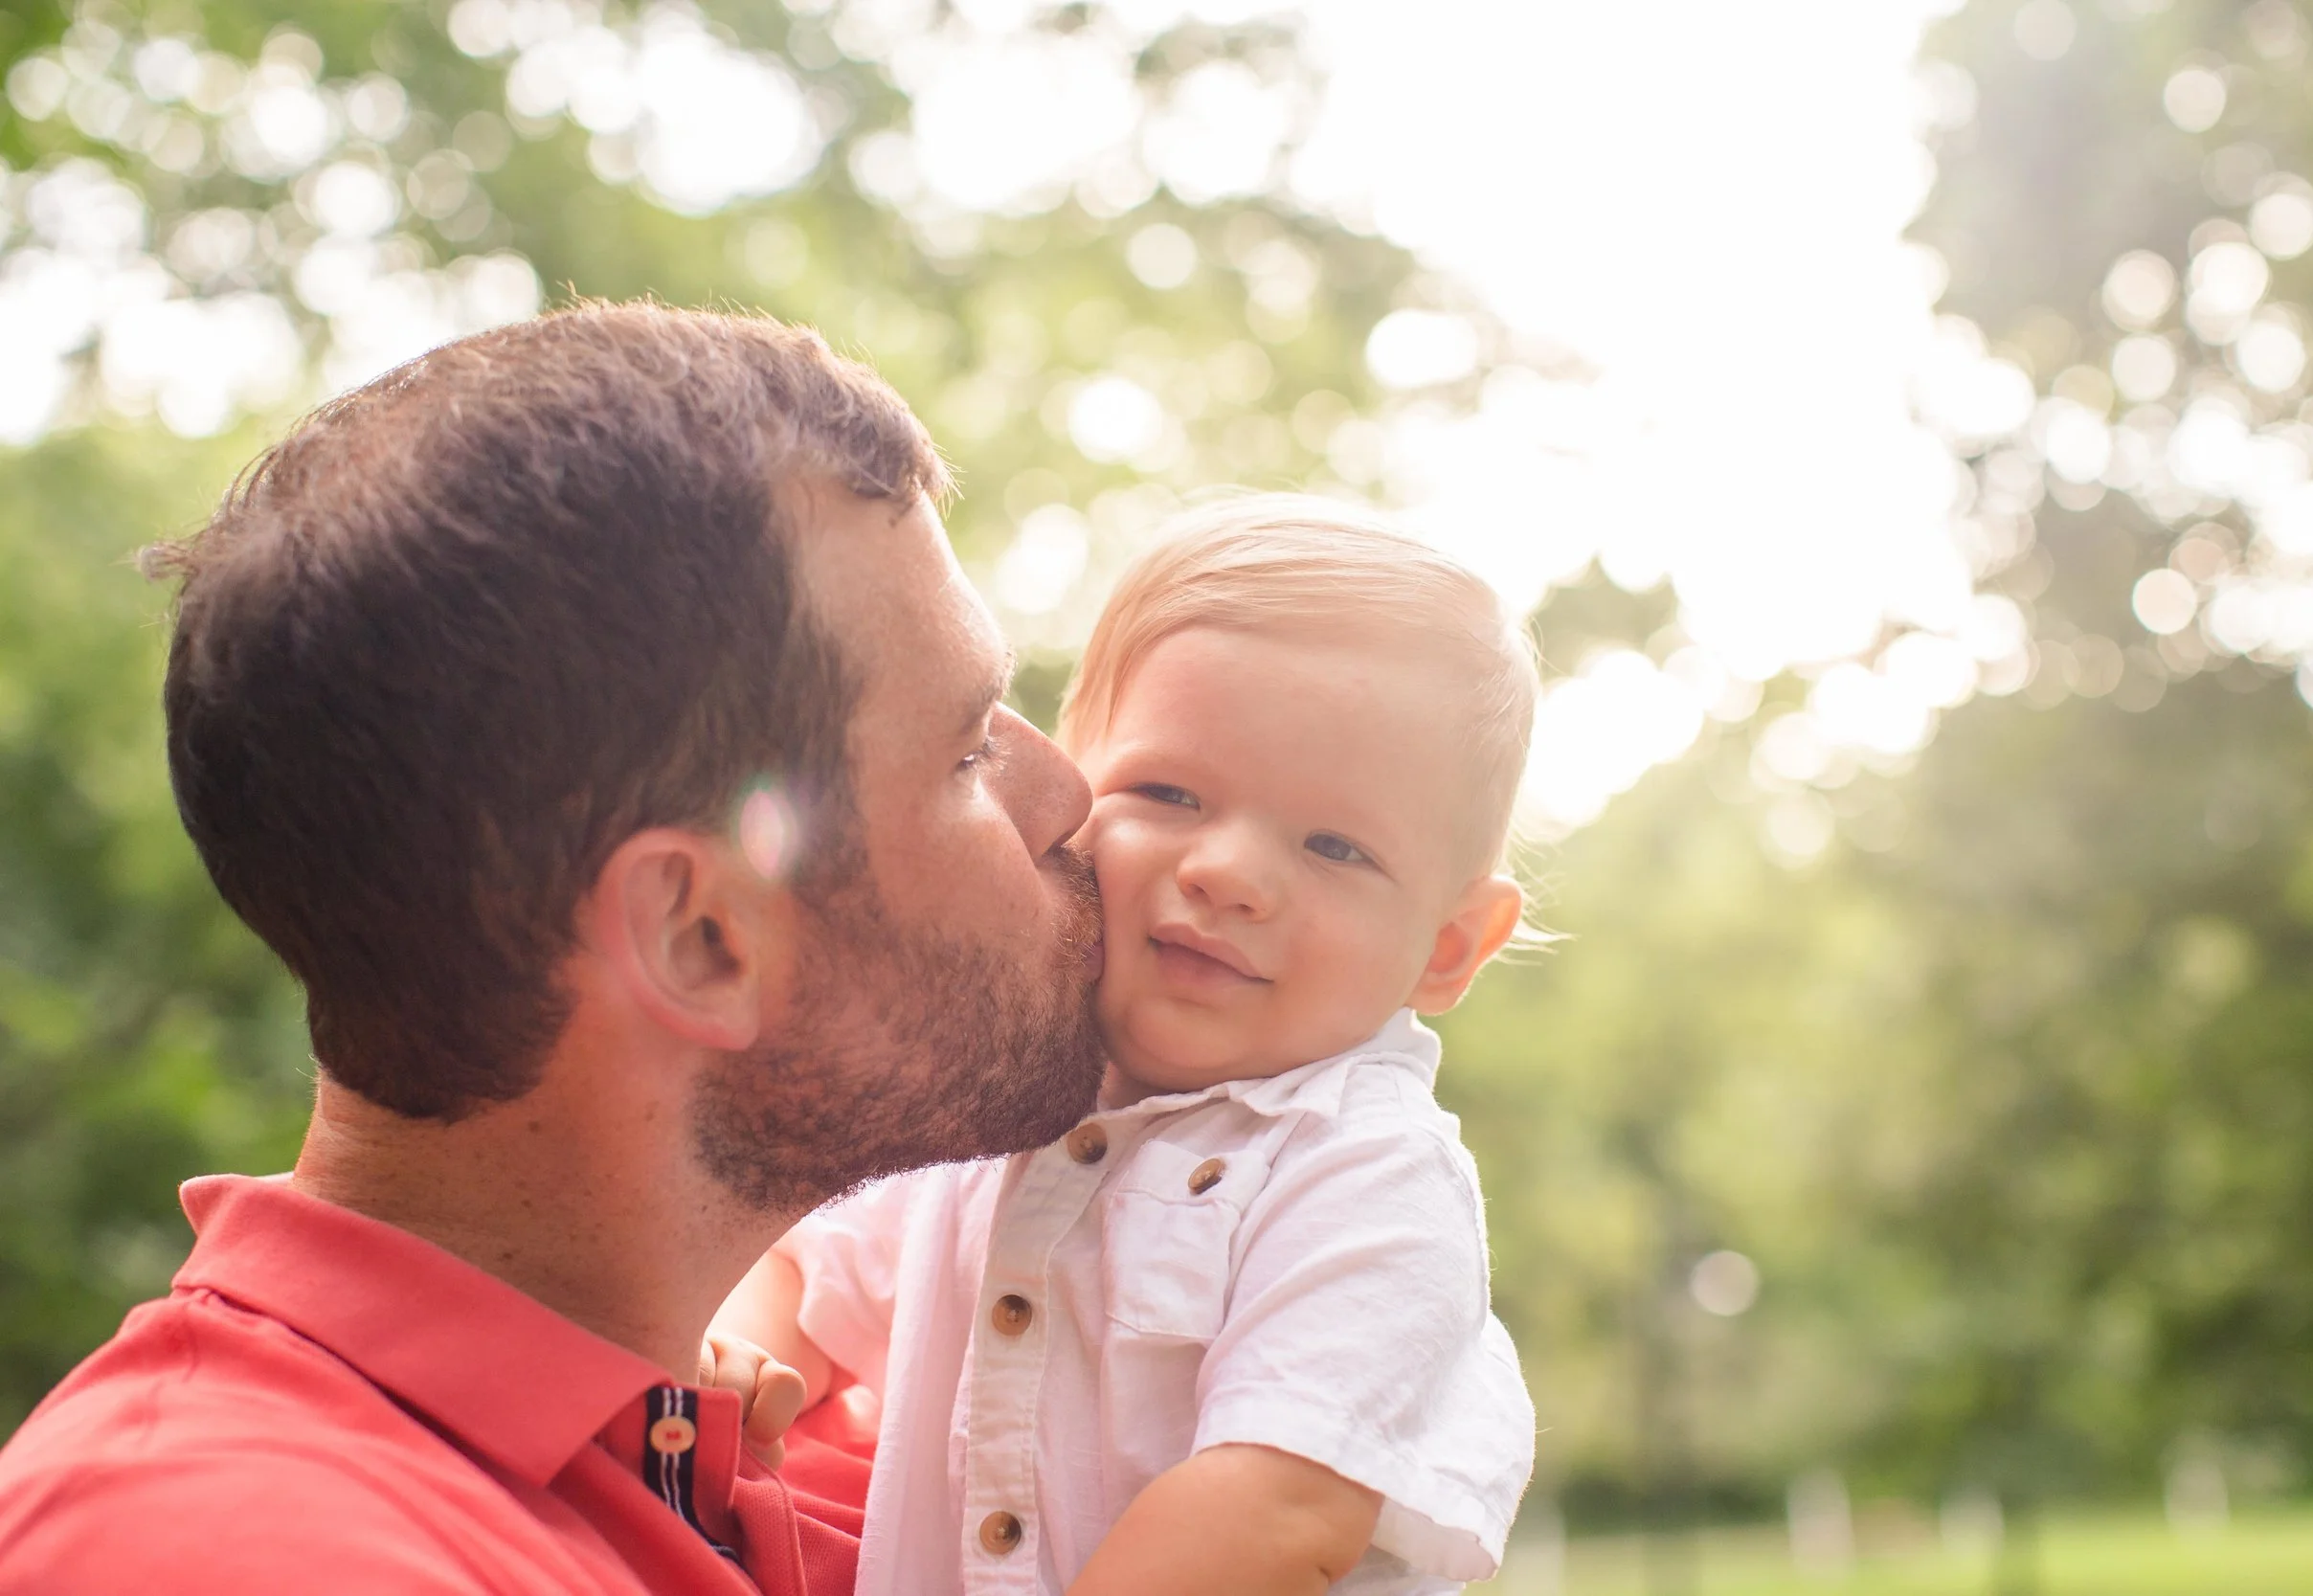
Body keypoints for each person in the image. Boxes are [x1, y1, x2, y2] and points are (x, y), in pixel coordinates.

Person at [0, 303, 1109, 1594]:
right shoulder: (225, 1547)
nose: (1069, 796)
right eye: (970, 748)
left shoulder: (819, 1460)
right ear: (699, 937)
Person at [714, 498, 1540, 1596]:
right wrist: (736, 1357)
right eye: (1169, 791)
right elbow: (806, 1270)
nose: (1229, 871)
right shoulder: (995, 1114)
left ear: (1446, 945)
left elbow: (1276, 1509)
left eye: (1335, 845)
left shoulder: (1366, 1172)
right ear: (1068, 798)